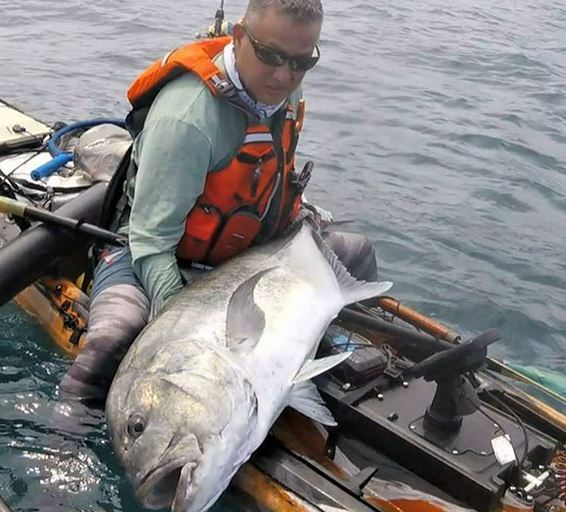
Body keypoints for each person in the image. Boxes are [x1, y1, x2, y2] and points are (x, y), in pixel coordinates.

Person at [58, 0, 378, 403]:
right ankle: (67, 440)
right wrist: (185, 330)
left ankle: (338, 350)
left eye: (301, 62)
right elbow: (151, 243)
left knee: (357, 254)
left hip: (248, 254)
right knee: (111, 340)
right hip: (159, 257)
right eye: (271, 56)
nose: (284, 75)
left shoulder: (286, 92)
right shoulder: (188, 118)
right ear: (240, 36)